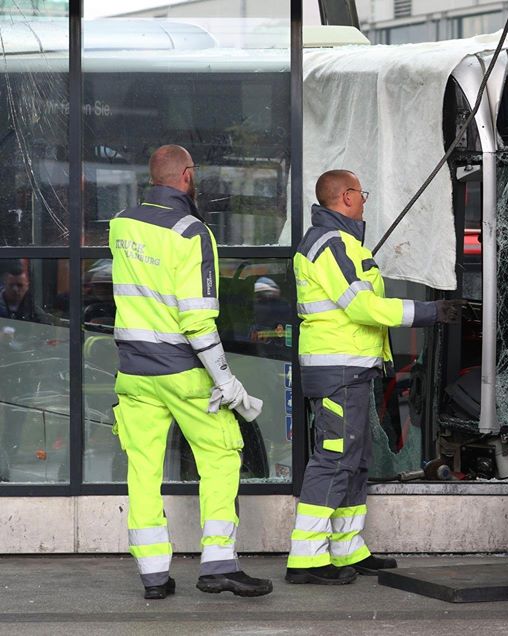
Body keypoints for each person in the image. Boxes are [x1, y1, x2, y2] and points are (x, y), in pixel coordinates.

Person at [109, 145, 272, 599]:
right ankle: (218, 563)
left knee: (142, 468)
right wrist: (227, 381)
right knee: (222, 454)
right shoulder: (191, 232)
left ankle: (154, 576)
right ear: (186, 175)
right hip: (181, 369)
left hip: (134, 372)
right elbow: (197, 320)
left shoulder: (121, 223)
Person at [286, 169, 463, 585]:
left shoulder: (339, 243)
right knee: (334, 458)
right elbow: (363, 308)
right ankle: (307, 558)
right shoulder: (332, 245)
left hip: (348, 369)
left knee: (354, 459)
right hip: (338, 370)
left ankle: (348, 549)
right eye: (361, 194)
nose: (364, 200)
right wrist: (430, 312)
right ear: (346, 197)